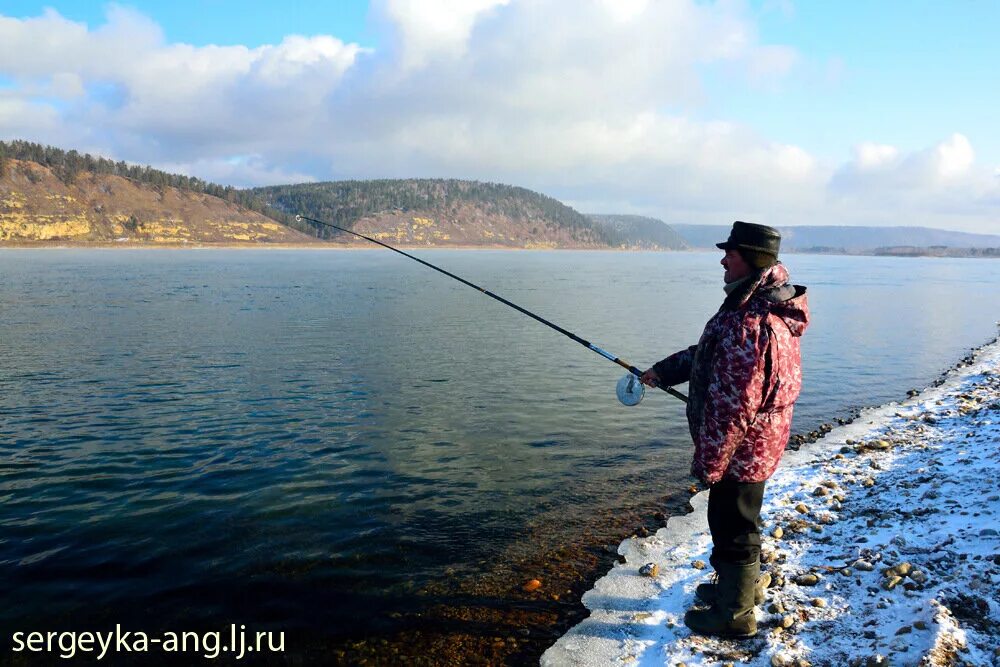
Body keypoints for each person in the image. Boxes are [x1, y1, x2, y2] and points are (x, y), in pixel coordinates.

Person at [640, 221, 809, 638]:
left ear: (749, 260)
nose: (722, 260)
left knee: (732, 526)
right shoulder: (758, 307)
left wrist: (710, 463)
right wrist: (664, 371)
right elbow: (710, 355)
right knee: (738, 521)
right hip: (758, 444)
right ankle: (738, 593)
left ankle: (734, 616)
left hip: (742, 448)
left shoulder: (750, 321)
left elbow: (733, 407)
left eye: (729, 254)